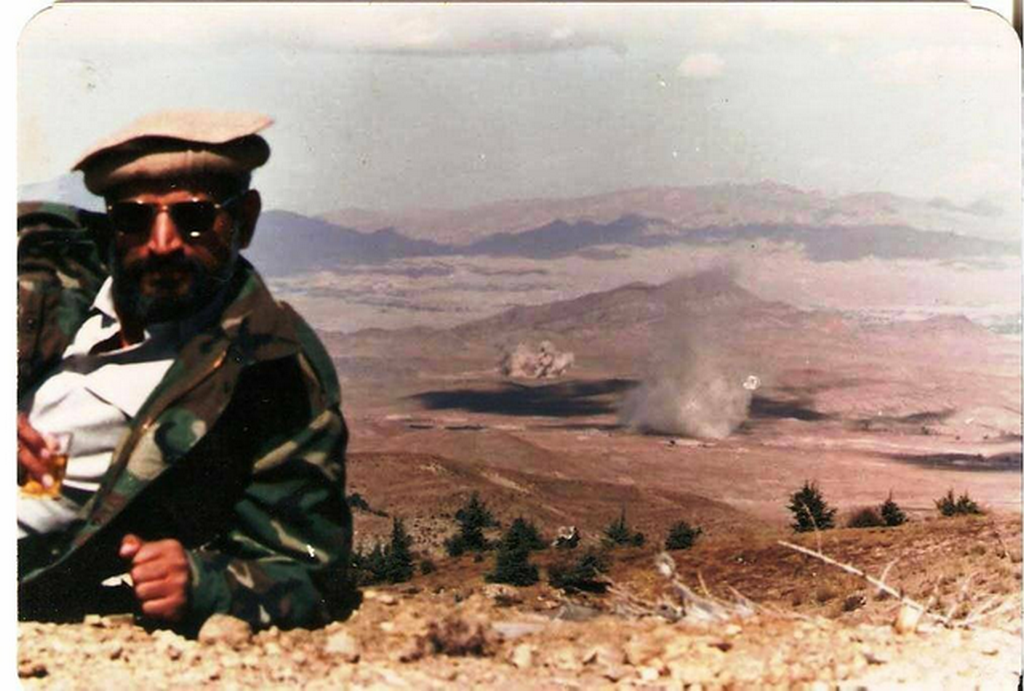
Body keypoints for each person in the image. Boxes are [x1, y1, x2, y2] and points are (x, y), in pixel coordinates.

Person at [17, 110, 353, 634]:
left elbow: (310, 574)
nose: (163, 242)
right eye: (134, 218)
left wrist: (203, 583)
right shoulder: (36, 261)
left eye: (193, 216)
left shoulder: (271, 370)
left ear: (245, 218)